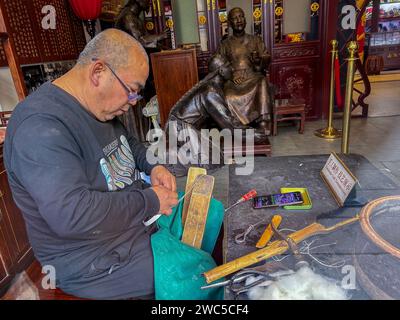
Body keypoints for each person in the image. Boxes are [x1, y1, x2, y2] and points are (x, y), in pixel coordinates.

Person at [4, 29, 178, 299]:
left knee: (208, 214)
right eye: (131, 92)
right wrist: (150, 201)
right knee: (190, 274)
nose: (132, 104)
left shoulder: (97, 106)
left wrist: (154, 166)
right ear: (98, 73)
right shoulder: (39, 128)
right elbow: (73, 215)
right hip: (90, 260)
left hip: (129, 227)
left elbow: (129, 142)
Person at [164, 54, 266, 175]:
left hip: (182, 128)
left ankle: (176, 161)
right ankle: (169, 166)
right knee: (212, 162)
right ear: (221, 71)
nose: (232, 69)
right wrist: (254, 134)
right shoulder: (210, 92)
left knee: (216, 156)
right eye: (229, 66)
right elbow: (230, 126)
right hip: (180, 129)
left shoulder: (212, 88)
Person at [217, 7, 272, 134]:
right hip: (234, 80)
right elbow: (219, 64)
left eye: (241, 16)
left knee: (262, 82)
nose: (239, 20)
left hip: (252, 76)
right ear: (230, 23)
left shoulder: (255, 40)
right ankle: (235, 125)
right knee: (228, 96)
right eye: (235, 18)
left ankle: (263, 122)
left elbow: (266, 56)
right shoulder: (225, 44)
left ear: (245, 20)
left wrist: (259, 60)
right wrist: (231, 76)